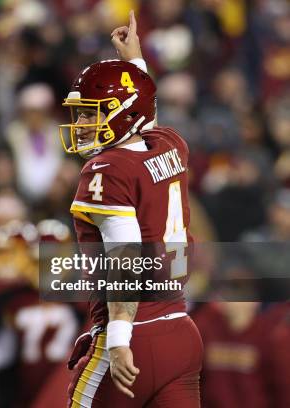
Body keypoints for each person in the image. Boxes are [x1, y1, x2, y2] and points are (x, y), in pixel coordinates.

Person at [64, 11, 203, 407]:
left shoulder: (107, 168)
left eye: (92, 112)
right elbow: (143, 117)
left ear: (121, 112)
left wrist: (121, 340)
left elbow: (124, 257)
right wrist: (135, 62)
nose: (84, 122)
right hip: (180, 330)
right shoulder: (169, 144)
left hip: (132, 334)